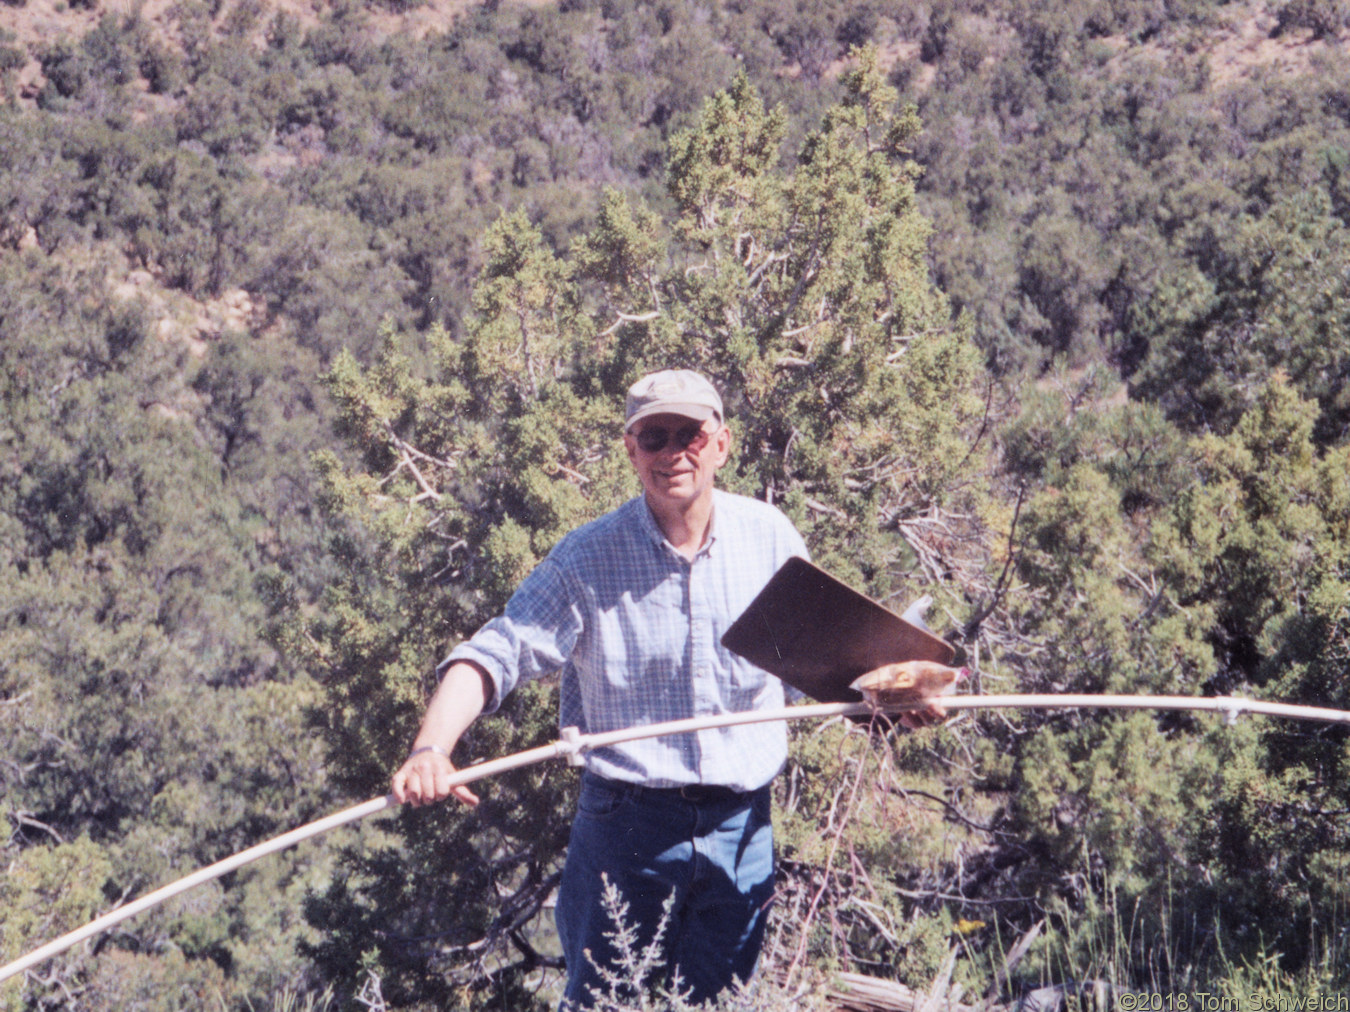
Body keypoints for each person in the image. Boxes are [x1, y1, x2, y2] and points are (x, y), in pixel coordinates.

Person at [390, 368, 943, 1008]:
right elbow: (497, 652)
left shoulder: (770, 539)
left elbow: (827, 672)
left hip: (743, 824)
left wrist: (894, 700)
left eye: (690, 434)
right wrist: (432, 748)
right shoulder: (586, 558)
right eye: (655, 436)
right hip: (625, 827)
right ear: (631, 450)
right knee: (602, 1000)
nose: (673, 452)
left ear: (721, 445)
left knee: (723, 1002)